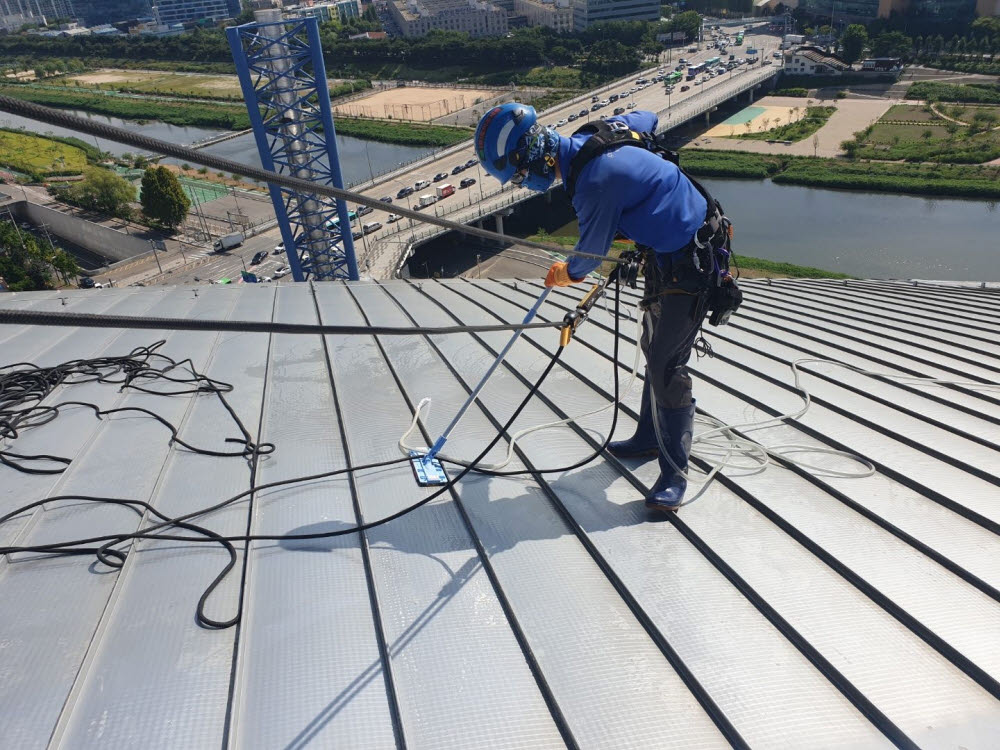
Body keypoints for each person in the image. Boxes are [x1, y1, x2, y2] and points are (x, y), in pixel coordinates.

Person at [474, 102, 736, 513]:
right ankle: (650, 437)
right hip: (665, 252)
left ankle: (674, 474)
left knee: (668, 363)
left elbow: (588, 258)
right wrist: (647, 187)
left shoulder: (593, 184)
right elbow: (647, 117)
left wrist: (566, 273)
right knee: (653, 349)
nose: (525, 185)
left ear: (535, 159)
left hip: (695, 257)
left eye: (521, 176)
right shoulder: (598, 134)